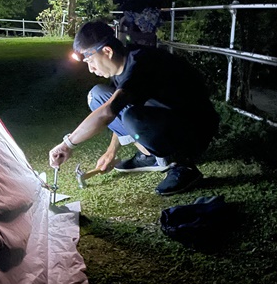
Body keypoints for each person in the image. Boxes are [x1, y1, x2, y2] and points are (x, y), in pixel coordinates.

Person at [48, 20, 219, 196]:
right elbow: (117, 107)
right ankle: (152, 156)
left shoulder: (141, 63)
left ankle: (182, 165)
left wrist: (67, 144)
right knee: (97, 95)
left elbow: (109, 113)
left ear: (107, 51)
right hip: (165, 120)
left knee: (131, 116)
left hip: (194, 128)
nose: (91, 69)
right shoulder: (122, 66)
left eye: (90, 60)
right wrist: (111, 152)